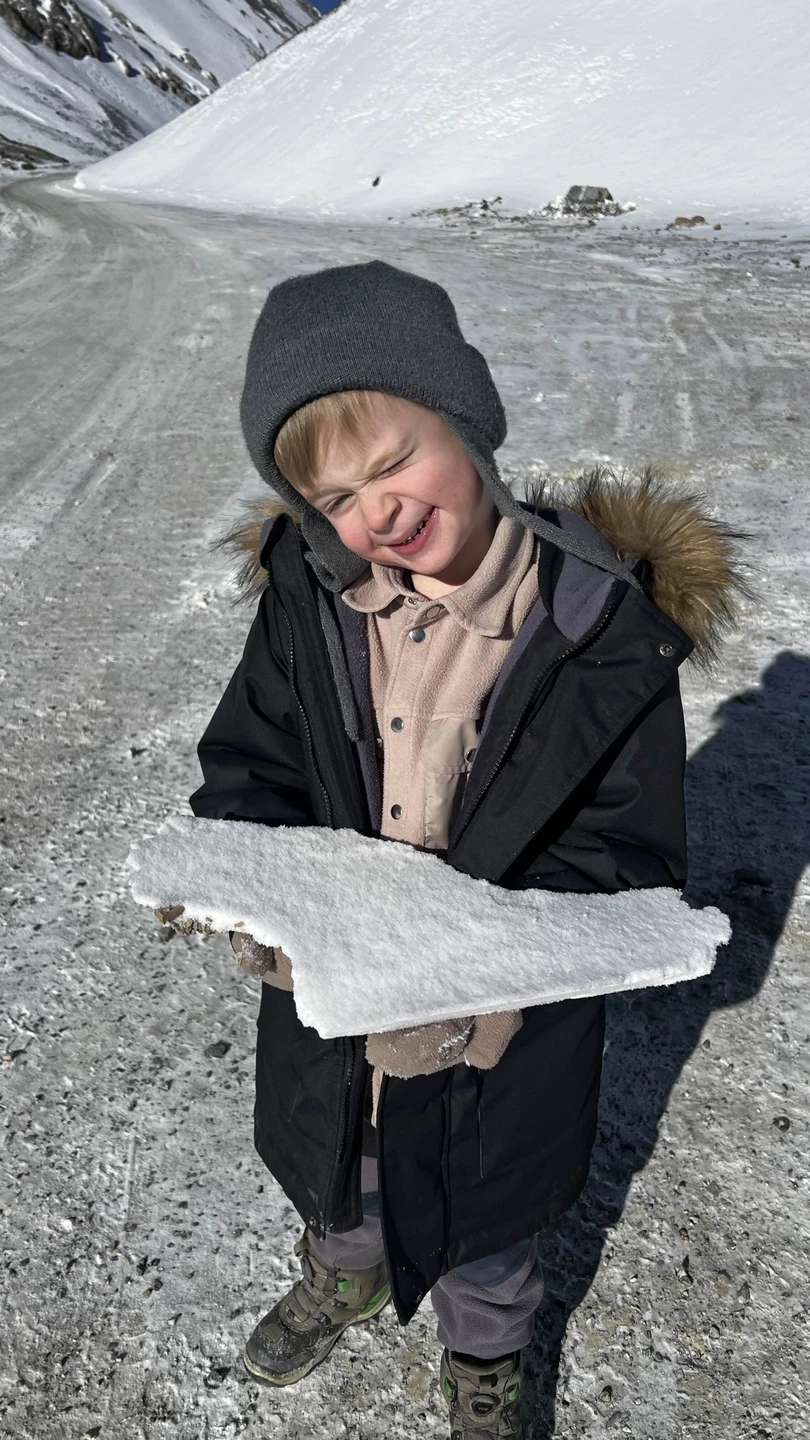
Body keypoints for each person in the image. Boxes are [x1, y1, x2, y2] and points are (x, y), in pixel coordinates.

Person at [187, 259, 745, 1438]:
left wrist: (486, 996)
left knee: (488, 1231)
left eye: (393, 460)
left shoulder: (599, 637)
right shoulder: (307, 603)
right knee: (342, 1174)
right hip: (336, 1021)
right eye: (337, 498)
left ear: (467, 419)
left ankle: (483, 1360)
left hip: (505, 1046)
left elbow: (624, 861)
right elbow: (254, 762)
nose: (375, 510)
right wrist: (263, 897)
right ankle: (344, 1269)